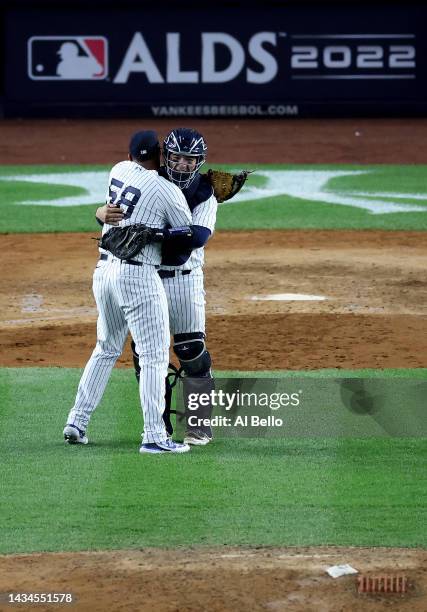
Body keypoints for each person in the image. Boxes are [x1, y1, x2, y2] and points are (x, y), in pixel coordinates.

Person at [63, 130, 193, 454]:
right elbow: (187, 233)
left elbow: (111, 210)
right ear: (160, 155)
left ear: (132, 153)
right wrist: (161, 233)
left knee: (105, 347)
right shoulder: (167, 190)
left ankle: (76, 422)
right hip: (136, 275)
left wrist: (99, 213)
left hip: (103, 271)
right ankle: (154, 436)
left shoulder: (118, 169)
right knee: (154, 356)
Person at [96, 127, 218, 446]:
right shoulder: (150, 179)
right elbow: (117, 214)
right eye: (176, 157)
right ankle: (159, 426)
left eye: (190, 160)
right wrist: (99, 213)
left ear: (200, 162)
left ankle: (200, 423)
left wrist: (157, 235)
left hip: (185, 279)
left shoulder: (206, 191)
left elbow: (198, 237)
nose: (182, 165)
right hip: (146, 278)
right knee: (147, 354)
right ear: (165, 155)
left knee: (190, 350)